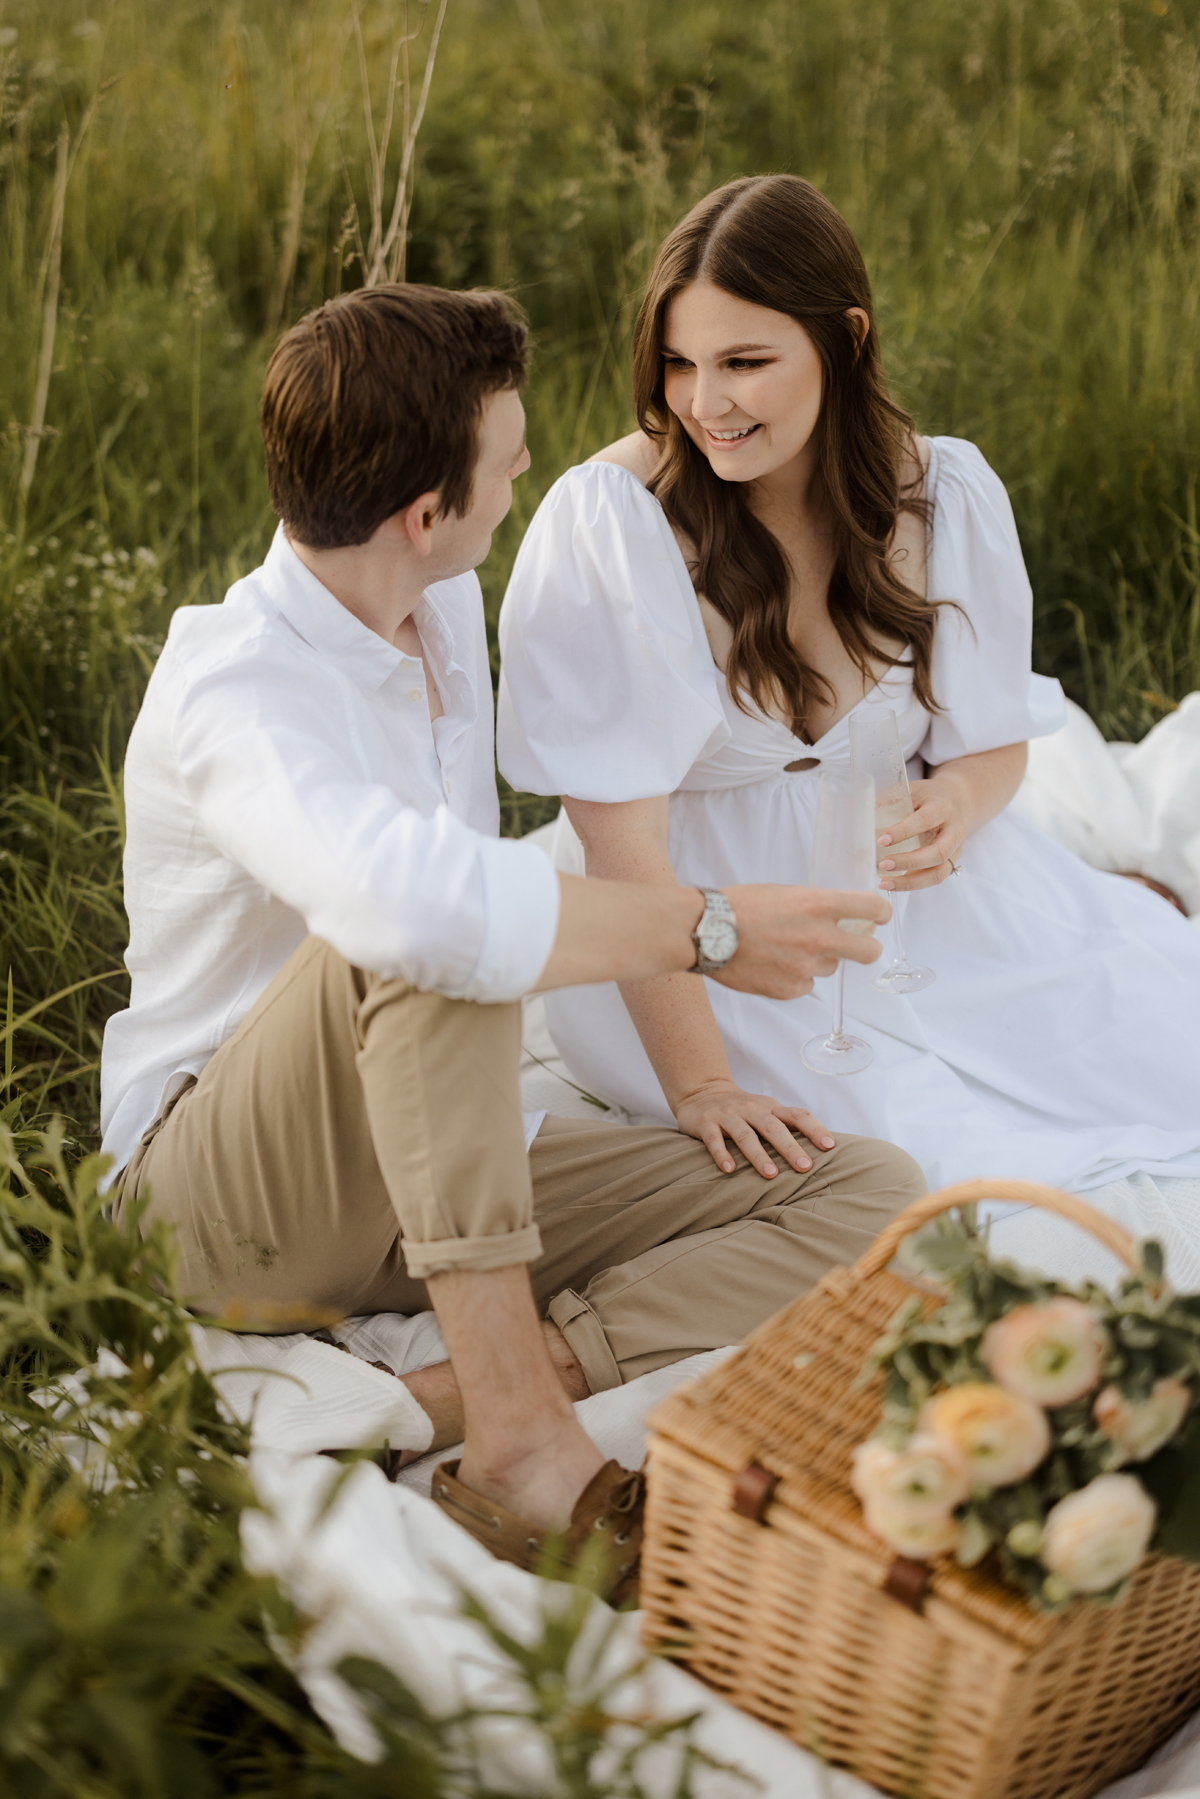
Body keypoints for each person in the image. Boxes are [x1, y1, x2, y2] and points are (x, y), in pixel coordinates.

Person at [99, 282, 925, 1601]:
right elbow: (419, 910)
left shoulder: (428, 607)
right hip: (221, 1203)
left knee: (869, 1193)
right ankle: (523, 1447)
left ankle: (444, 1390)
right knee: (431, 921)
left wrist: (771, 406)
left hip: (422, 1168)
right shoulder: (233, 690)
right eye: (508, 462)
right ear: (428, 516)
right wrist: (706, 927)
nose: (529, 474)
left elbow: (624, 458)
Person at [497, 175, 1200, 1199]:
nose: (706, 403)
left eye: (746, 362)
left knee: (1148, 1033)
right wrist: (700, 1087)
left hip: (916, 898)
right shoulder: (614, 524)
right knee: (920, 1153)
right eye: (683, 364)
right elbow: (619, 846)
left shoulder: (942, 491)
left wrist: (955, 804)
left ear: (846, 340)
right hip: (710, 944)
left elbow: (992, 739)